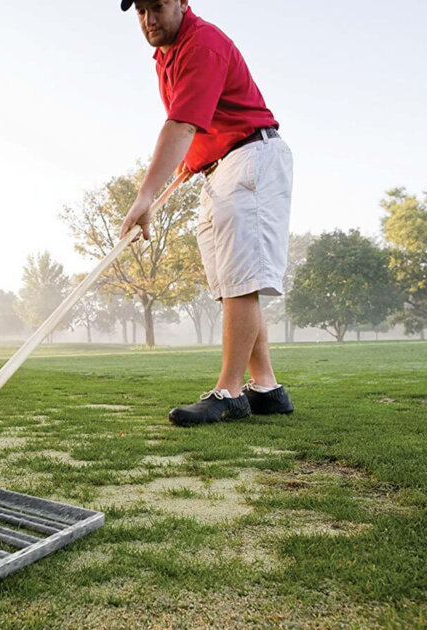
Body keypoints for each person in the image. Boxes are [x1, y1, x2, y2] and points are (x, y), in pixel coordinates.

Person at [118, 0, 295, 427]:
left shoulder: (203, 45)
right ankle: (266, 387)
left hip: (251, 156)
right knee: (230, 283)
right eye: (140, 11)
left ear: (182, 2)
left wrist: (145, 195)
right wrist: (191, 160)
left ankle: (229, 393)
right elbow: (199, 123)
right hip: (218, 167)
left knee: (240, 279)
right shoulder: (165, 55)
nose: (149, 20)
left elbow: (182, 124)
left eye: (157, 6)